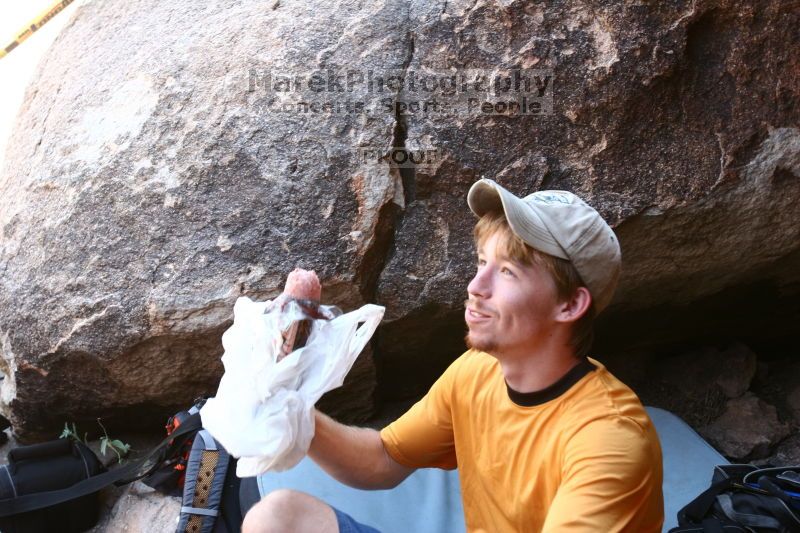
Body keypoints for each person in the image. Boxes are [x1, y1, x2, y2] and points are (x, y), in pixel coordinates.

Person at [242, 178, 664, 533]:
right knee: (279, 518)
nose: (476, 286)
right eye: (482, 261)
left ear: (569, 306)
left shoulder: (609, 441)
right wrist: (294, 409)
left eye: (508, 271)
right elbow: (384, 459)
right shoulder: (477, 372)